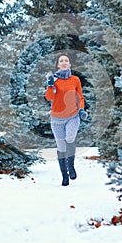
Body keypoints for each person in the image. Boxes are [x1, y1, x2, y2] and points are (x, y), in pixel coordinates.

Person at [45, 53, 87, 186]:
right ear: (58, 65)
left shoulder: (75, 79)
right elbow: (49, 97)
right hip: (56, 119)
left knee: (70, 138)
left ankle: (71, 166)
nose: (63, 62)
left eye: (66, 60)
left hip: (72, 116)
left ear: (69, 64)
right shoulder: (54, 79)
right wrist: (50, 85)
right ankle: (64, 176)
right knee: (61, 147)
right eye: (61, 60)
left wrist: (81, 109)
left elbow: (80, 96)